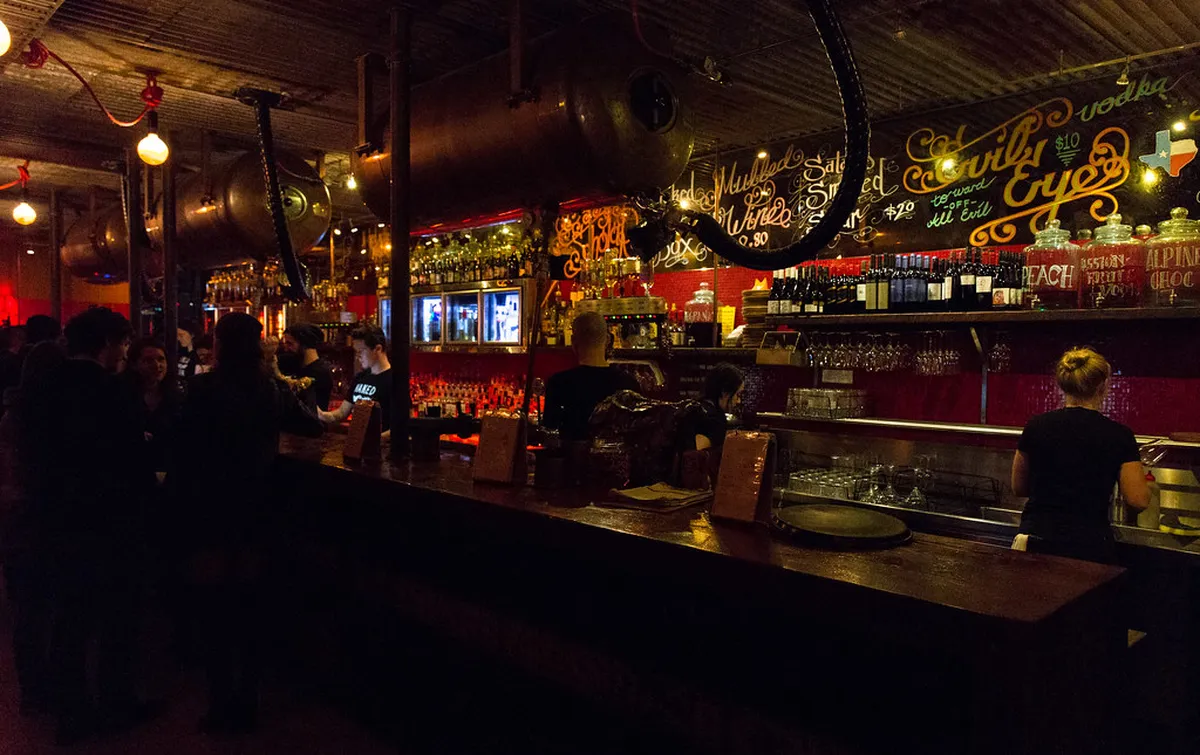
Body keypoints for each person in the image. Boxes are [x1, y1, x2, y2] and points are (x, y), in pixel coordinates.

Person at [173, 312, 323, 735]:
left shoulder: (202, 389)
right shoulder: (269, 389)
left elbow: (181, 445)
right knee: (250, 606)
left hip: (211, 510)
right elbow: (311, 426)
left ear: (219, 345)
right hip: (257, 508)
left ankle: (221, 704)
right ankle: (249, 702)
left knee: (216, 609)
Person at [17, 307, 155, 744]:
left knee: (71, 619)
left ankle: (70, 709)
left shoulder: (40, 390)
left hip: (55, 516)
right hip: (109, 521)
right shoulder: (114, 393)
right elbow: (133, 464)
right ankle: (115, 702)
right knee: (118, 619)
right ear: (107, 345)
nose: (124, 353)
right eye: (123, 344)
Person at [1011, 347, 1150, 563]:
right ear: (1103, 385)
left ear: (1063, 385)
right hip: (1088, 545)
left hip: (1036, 539)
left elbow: (1019, 487)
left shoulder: (1036, 426)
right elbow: (1138, 500)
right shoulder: (1119, 435)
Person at [0, 340, 65, 717]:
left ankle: (33, 688)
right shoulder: (47, 418)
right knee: (48, 607)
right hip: (40, 518)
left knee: (30, 611)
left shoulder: (14, 415)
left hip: (17, 522)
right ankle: (46, 684)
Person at [542, 312, 639, 442]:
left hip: (573, 460)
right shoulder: (629, 383)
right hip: (615, 461)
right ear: (608, 340)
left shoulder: (559, 383)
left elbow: (550, 433)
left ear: (573, 341)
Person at [122, 338, 182, 478]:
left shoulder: (177, 396)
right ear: (134, 365)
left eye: (161, 360)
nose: (157, 365)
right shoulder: (124, 395)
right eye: (148, 361)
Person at [319, 325, 393, 436]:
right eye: (356, 352)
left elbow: (404, 424)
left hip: (382, 449)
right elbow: (341, 413)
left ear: (378, 349)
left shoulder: (394, 380)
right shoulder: (360, 377)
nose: (358, 356)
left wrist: (377, 439)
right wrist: (319, 414)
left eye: (361, 351)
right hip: (358, 444)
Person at [279, 323, 334, 410]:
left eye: (290, 344)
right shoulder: (294, 365)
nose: (286, 349)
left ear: (304, 345)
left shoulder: (319, 373)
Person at [691, 363, 744, 451]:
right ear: (724, 392)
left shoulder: (694, 407)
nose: (739, 401)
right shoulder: (714, 420)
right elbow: (695, 455)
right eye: (738, 395)